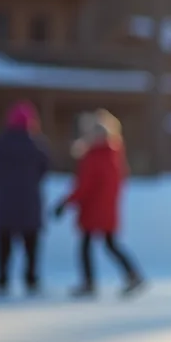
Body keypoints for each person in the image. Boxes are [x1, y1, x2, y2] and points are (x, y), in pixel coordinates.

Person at [54, 109, 144, 298]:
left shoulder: (94, 156)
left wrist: (65, 202)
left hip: (93, 209)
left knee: (87, 245)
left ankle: (89, 283)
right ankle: (132, 274)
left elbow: (84, 186)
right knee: (109, 244)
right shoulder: (115, 154)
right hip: (107, 208)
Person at [0, 101, 50, 296]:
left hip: (5, 202)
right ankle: (31, 278)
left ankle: (2, 278)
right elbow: (44, 169)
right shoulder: (37, 144)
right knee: (31, 244)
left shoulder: (1, 143)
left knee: (4, 243)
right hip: (29, 203)